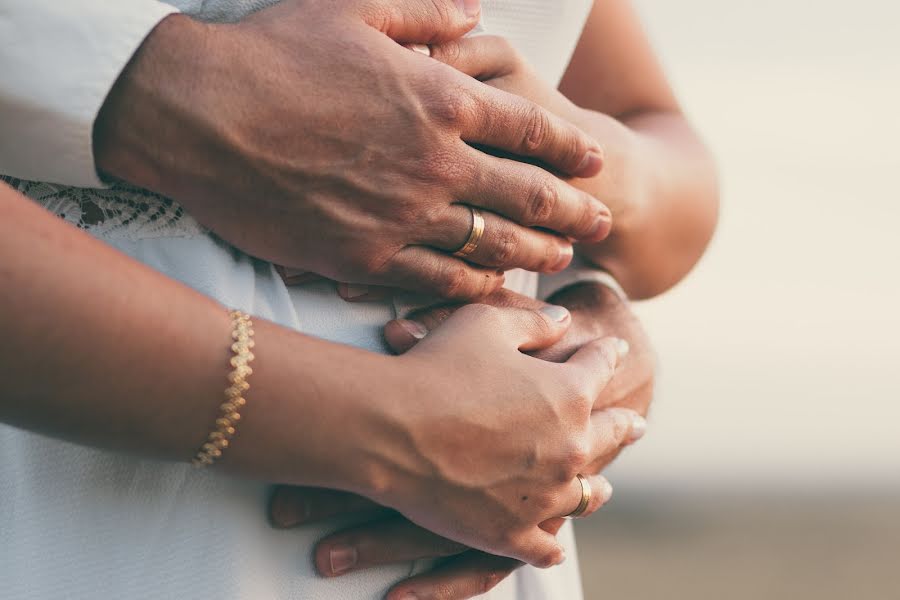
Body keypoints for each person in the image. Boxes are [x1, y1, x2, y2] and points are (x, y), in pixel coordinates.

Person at [0, 1, 717, 599]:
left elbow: (661, 147)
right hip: (88, 519)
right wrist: (160, 81)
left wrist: (583, 292)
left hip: (488, 526)